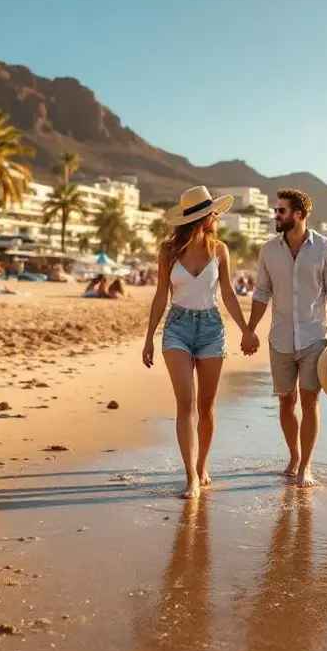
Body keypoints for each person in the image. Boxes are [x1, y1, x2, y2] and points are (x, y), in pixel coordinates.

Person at [143, 186, 248, 500]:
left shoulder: (220, 250)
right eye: (213, 213)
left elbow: (228, 293)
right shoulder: (168, 251)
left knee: (206, 407)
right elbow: (161, 295)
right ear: (203, 217)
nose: (217, 217)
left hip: (211, 328)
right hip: (177, 327)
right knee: (186, 403)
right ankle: (190, 478)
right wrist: (149, 337)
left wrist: (246, 329)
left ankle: (202, 466)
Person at [244, 189, 327, 489]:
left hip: (315, 337)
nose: (277, 215)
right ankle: (294, 456)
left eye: (282, 211)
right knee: (286, 401)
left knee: (310, 401)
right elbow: (262, 293)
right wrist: (250, 329)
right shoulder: (268, 251)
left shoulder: (326, 249)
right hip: (280, 338)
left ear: (299, 214)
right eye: (277, 210)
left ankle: (306, 465)